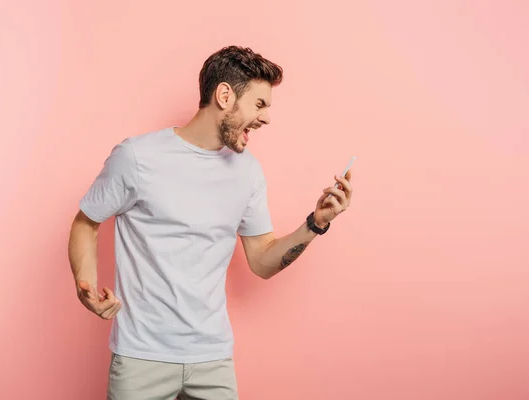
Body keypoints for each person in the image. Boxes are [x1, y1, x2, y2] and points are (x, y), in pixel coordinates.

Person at [68, 45, 353, 400]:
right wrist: (86, 285)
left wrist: (315, 224)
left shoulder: (247, 172)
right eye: (259, 105)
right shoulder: (138, 158)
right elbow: (86, 222)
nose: (265, 119)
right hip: (141, 357)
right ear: (224, 95)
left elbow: (262, 261)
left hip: (213, 360)